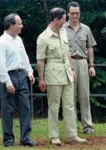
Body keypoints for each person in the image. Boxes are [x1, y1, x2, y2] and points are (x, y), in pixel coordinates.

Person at [36, 7, 87, 145]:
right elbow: (40, 60)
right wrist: (41, 79)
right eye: (64, 18)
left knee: (70, 105)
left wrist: (71, 68)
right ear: (57, 19)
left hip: (67, 73)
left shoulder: (63, 32)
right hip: (52, 74)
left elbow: (67, 53)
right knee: (54, 106)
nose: (66, 21)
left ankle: (72, 135)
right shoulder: (43, 37)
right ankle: (54, 136)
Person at [0, 13, 36, 147]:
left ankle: (25, 138)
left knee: (25, 107)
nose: (22, 26)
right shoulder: (1, 43)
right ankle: (8, 140)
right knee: (7, 109)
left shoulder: (18, 39)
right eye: (19, 24)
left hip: (21, 76)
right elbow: (1, 66)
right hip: (8, 76)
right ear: (11, 25)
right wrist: (8, 83)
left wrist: (29, 71)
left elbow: (24, 58)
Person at [63, 1, 96, 134]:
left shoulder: (86, 29)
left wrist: (91, 66)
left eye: (77, 13)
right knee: (69, 97)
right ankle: (73, 126)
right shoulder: (62, 29)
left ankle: (87, 126)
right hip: (67, 64)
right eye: (72, 13)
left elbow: (90, 48)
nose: (75, 16)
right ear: (67, 13)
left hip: (82, 63)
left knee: (84, 96)